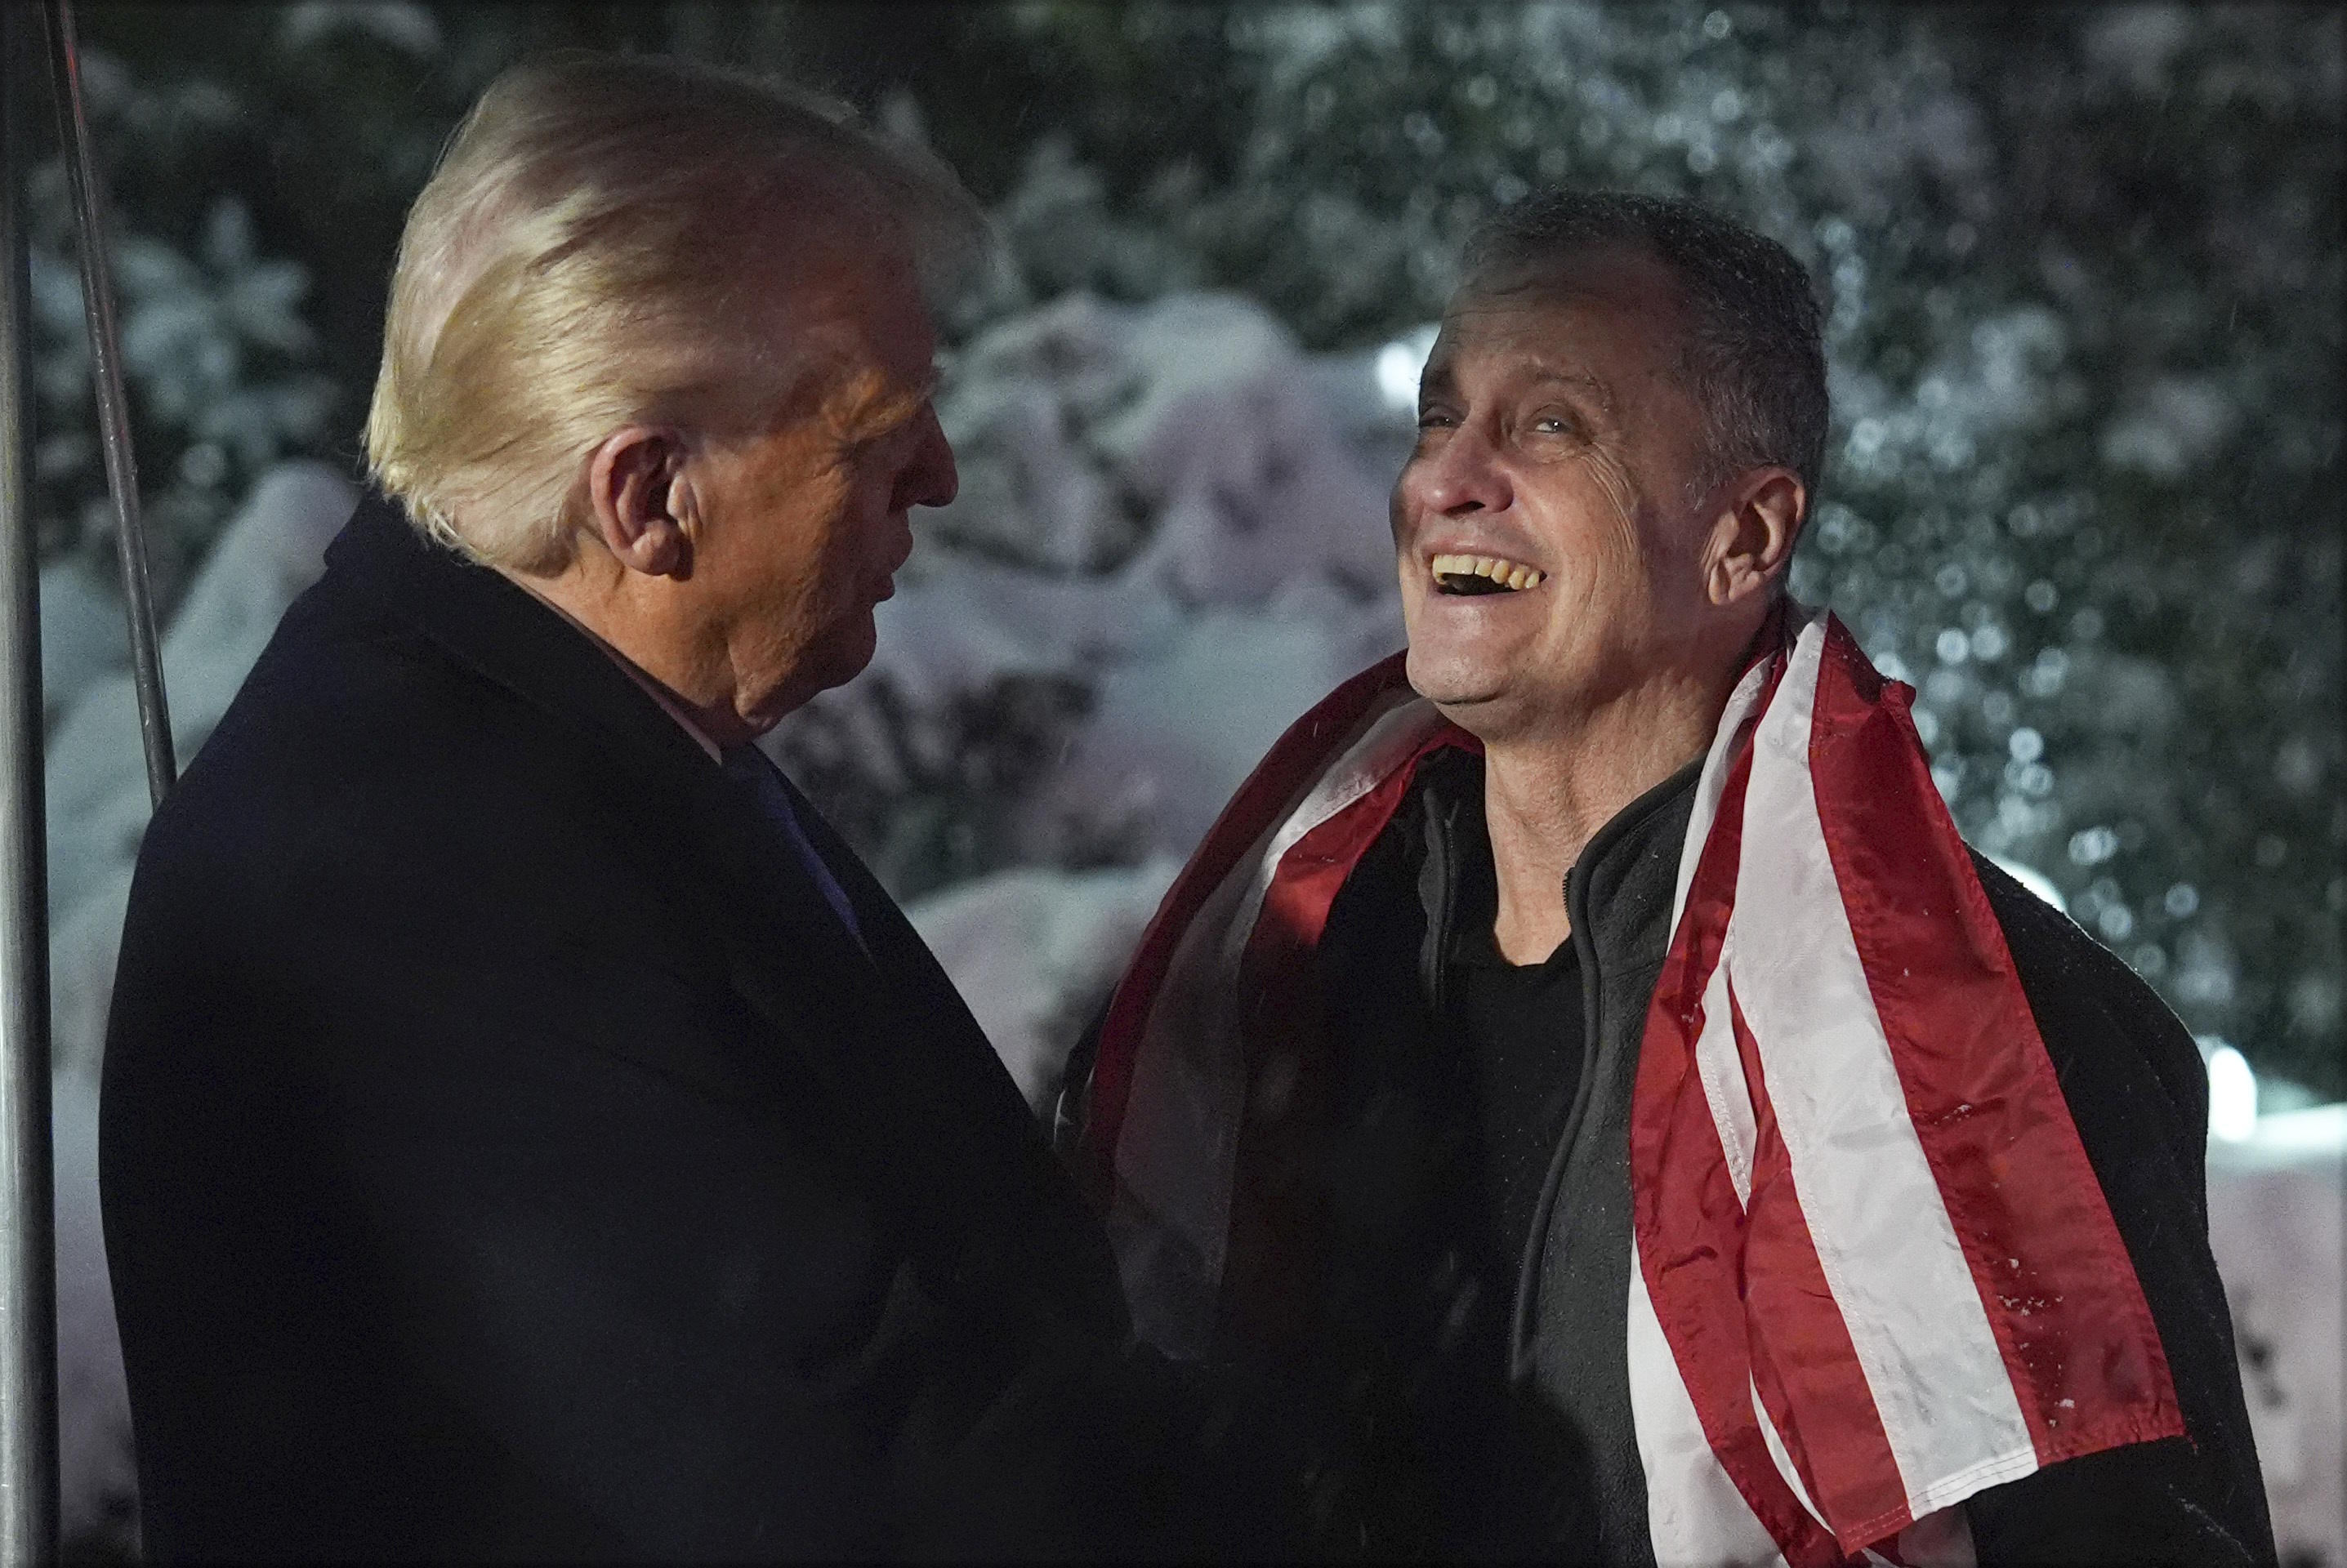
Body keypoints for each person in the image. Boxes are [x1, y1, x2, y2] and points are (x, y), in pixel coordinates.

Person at [101, 53, 1219, 1561]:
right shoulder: (410, 862)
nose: (939, 478)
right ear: (645, 496)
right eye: (873, 434)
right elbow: (863, 1473)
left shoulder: (537, 741)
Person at [1068, 190, 2277, 1565]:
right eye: (1437, 416)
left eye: (1551, 427)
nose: (1446, 479)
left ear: (1744, 539)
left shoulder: (1986, 1043)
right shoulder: (1275, 970)